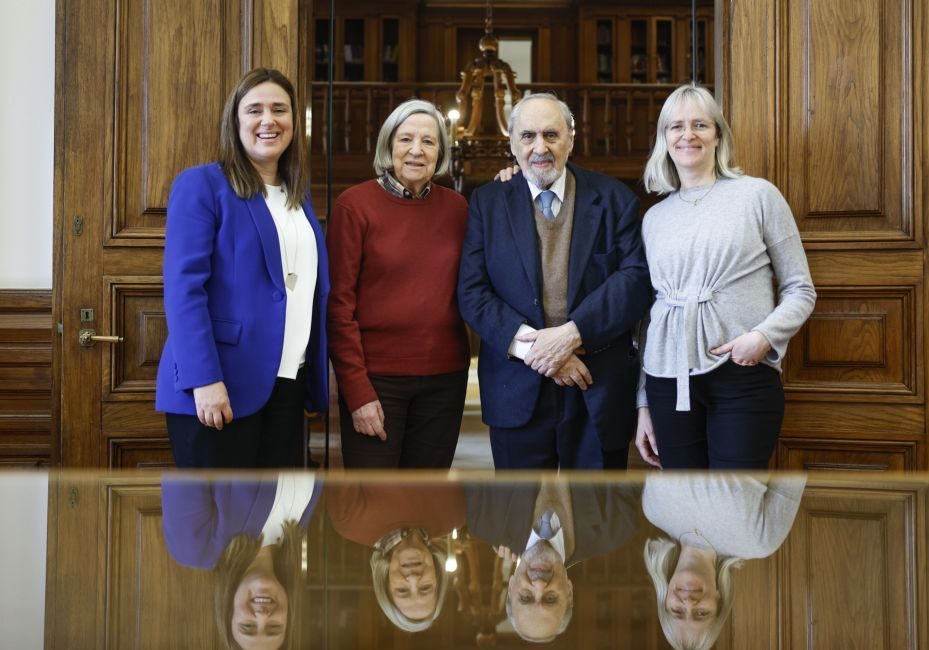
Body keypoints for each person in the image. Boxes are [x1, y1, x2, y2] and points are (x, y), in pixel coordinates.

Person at [458, 92, 653, 469]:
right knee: (517, 521)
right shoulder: (488, 202)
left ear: (571, 139)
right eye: (527, 136)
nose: (539, 147)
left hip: (597, 384)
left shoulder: (614, 199)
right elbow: (472, 292)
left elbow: (634, 281)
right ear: (512, 143)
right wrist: (537, 352)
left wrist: (571, 335)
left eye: (551, 135)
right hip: (516, 388)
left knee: (597, 520)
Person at [634, 84, 816, 470]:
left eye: (700, 124)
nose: (688, 135)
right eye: (676, 126)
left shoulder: (757, 196)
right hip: (668, 381)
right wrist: (644, 402)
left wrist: (763, 337)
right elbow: (651, 316)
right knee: (686, 508)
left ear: (718, 134)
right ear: (664, 139)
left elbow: (800, 288)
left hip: (742, 374)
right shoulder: (654, 218)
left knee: (737, 502)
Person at [155, 68, 329, 467]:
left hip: (286, 385)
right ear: (235, 122)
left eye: (279, 110)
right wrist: (204, 379)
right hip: (220, 387)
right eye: (255, 110)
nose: (268, 120)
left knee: (273, 527)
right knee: (218, 526)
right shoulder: (202, 185)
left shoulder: (298, 196)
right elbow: (184, 290)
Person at [327, 99, 470, 468]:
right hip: (376, 381)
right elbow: (337, 306)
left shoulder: (458, 209)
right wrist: (356, 391)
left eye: (429, 141)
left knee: (426, 506)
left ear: (440, 153)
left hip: (445, 380)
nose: (417, 150)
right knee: (375, 510)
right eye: (406, 139)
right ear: (389, 145)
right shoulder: (353, 206)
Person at [161, 474, 322, 650]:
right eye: (274, 627)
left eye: (247, 627)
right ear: (288, 616)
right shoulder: (295, 531)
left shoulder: (193, 548)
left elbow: (186, 456)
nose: (263, 616)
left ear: (229, 612)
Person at [641, 472, 806, 650]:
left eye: (677, 611)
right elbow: (795, 467)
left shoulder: (654, 509)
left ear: (665, 601)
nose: (688, 603)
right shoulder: (759, 543)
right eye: (701, 613)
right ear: (719, 602)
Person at [466, 480, 639, 642]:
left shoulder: (484, 521)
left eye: (526, 597)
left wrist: (500, 531)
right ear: (569, 592)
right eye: (550, 599)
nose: (539, 585)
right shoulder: (617, 526)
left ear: (511, 587)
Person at [326, 482, 466, 632]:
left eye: (402, 590)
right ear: (437, 575)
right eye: (425, 587)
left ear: (385, 581)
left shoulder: (350, 521)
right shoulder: (453, 516)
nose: (413, 578)